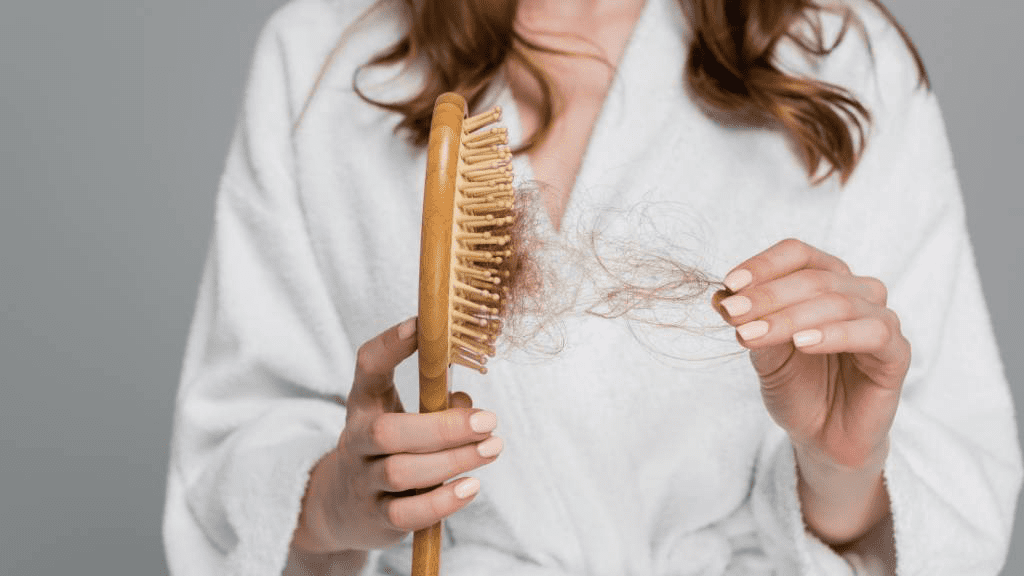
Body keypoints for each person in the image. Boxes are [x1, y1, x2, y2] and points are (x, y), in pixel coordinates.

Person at [162, 0, 1023, 574]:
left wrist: (842, 469)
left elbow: (955, 477)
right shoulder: (322, 57)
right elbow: (235, 444)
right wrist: (338, 503)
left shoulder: (843, 56)